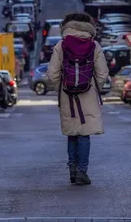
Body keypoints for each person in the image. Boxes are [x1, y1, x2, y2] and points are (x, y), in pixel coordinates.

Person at [47, 13, 109, 187]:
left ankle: (72, 170)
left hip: (67, 94)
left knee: (72, 133)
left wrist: (63, 87)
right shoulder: (94, 45)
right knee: (84, 134)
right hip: (87, 93)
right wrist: (93, 87)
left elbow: (52, 73)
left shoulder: (61, 45)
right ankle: (83, 171)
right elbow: (102, 73)